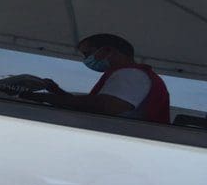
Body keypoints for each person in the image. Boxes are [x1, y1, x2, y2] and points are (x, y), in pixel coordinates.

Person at [20, 33, 170, 123]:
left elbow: (105, 107)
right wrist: (56, 91)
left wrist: (43, 98)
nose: (87, 59)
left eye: (88, 54)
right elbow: (91, 105)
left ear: (107, 50)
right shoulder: (129, 74)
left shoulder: (131, 75)